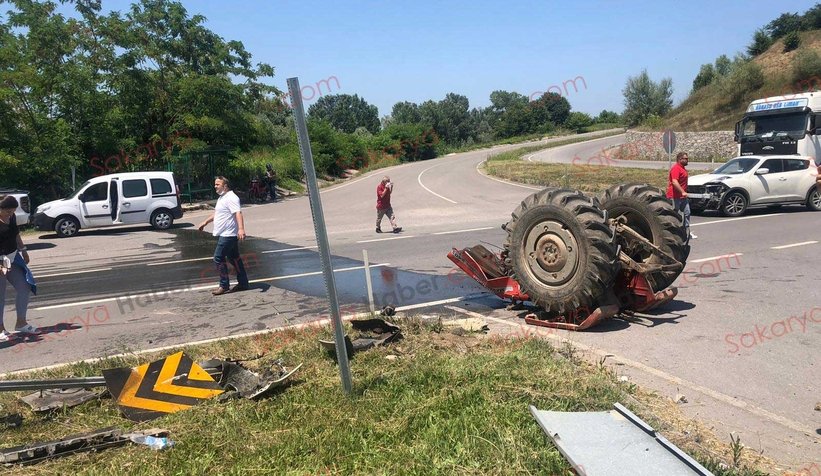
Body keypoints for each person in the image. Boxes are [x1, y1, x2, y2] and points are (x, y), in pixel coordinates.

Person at [197, 177, 250, 295]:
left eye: (218, 184)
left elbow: (238, 213)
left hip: (229, 234)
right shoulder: (222, 198)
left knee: (218, 258)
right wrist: (205, 222)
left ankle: (224, 285)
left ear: (225, 186)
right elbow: (217, 213)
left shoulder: (231, 197)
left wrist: (241, 229)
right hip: (225, 233)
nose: (215, 186)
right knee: (235, 259)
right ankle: (243, 283)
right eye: (215, 184)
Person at [0, 195, 38, 342]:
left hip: (13, 256)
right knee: (1, 294)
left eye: (13, 211)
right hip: (1, 260)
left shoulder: (12, 217)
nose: (11, 214)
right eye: (8, 211)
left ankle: (21, 323)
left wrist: (23, 249)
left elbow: (16, 233)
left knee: (25, 286)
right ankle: (1, 328)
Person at [667, 151, 696, 241]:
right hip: (674, 196)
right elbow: (675, 182)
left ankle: (686, 232)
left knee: (687, 213)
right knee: (675, 215)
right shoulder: (676, 168)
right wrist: (682, 191)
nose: (688, 160)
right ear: (680, 159)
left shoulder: (682, 168)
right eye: (686, 159)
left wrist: (684, 193)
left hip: (683, 197)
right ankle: (672, 234)